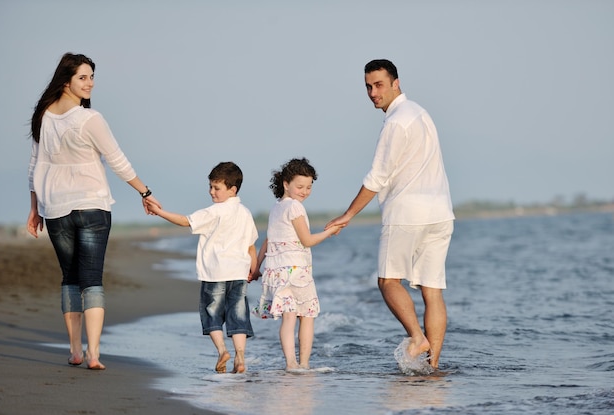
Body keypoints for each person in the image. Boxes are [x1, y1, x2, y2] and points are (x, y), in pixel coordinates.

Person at [26, 52, 162, 370]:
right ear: (66, 80)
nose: (90, 84)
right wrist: (146, 192)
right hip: (92, 206)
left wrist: (34, 208)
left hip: (55, 207)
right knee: (92, 279)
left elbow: (34, 167)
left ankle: (76, 351)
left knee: (71, 278)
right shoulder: (90, 119)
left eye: (92, 77)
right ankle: (94, 354)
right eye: (83, 78)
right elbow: (117, 160)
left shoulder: (43, 116)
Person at [326, 59, 454, 369]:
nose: (372, 92)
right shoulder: (421, 113)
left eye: (379, 85)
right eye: (368, 87)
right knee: (432, 290)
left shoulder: (396, 121)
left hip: (407, 213)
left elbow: (377, 177)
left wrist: (348, 215)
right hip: (441, 213)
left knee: (388, 281)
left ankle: (417, 337)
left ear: (396, 83)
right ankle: (433, 365)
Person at [146, 162, 258, 374]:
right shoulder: (245, 213)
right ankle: (240, 358)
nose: (211, 192)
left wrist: (159, 212)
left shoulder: (214, 211)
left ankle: (223, 350)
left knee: (212, 313)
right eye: (210, 187)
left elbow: (185, 221)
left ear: (232, 189)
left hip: (215, 273)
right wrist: (255, 268)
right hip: (238, 273)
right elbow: (251, 245)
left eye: (217, 188)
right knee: (238, 315)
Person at [252, 158, 343, 371]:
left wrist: (257, 266)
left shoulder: (277, 208)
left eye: (309, 186)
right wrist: (331, 231)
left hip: (277, 271)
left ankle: (290, 364)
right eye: (300, 186)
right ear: (286, 184)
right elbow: (308, 240)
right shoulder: (295, 207)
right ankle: (303, 363)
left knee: (288, 318)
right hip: (296, 271)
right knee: (307, 316)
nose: (305, 191)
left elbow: (268, 240)